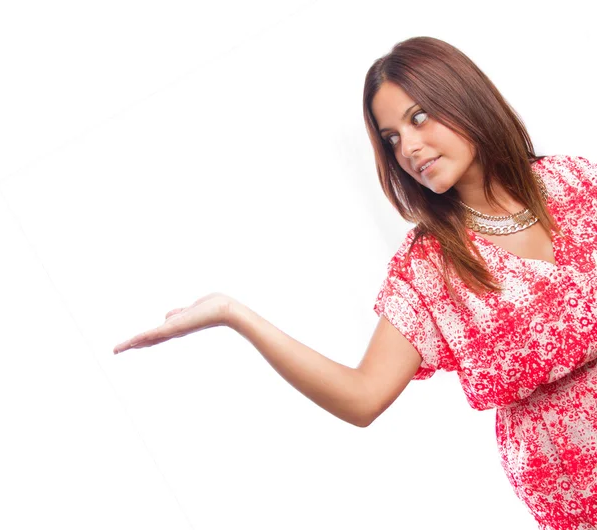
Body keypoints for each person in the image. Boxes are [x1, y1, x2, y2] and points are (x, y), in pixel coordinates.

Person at [113, 37, 597, 529]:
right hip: (578, 497)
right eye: (390, 138)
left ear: (464, 99)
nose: (407, 148)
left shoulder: (576, 182)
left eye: (418, 118)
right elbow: (362, 396)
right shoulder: (430, 268)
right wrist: (232, 313)